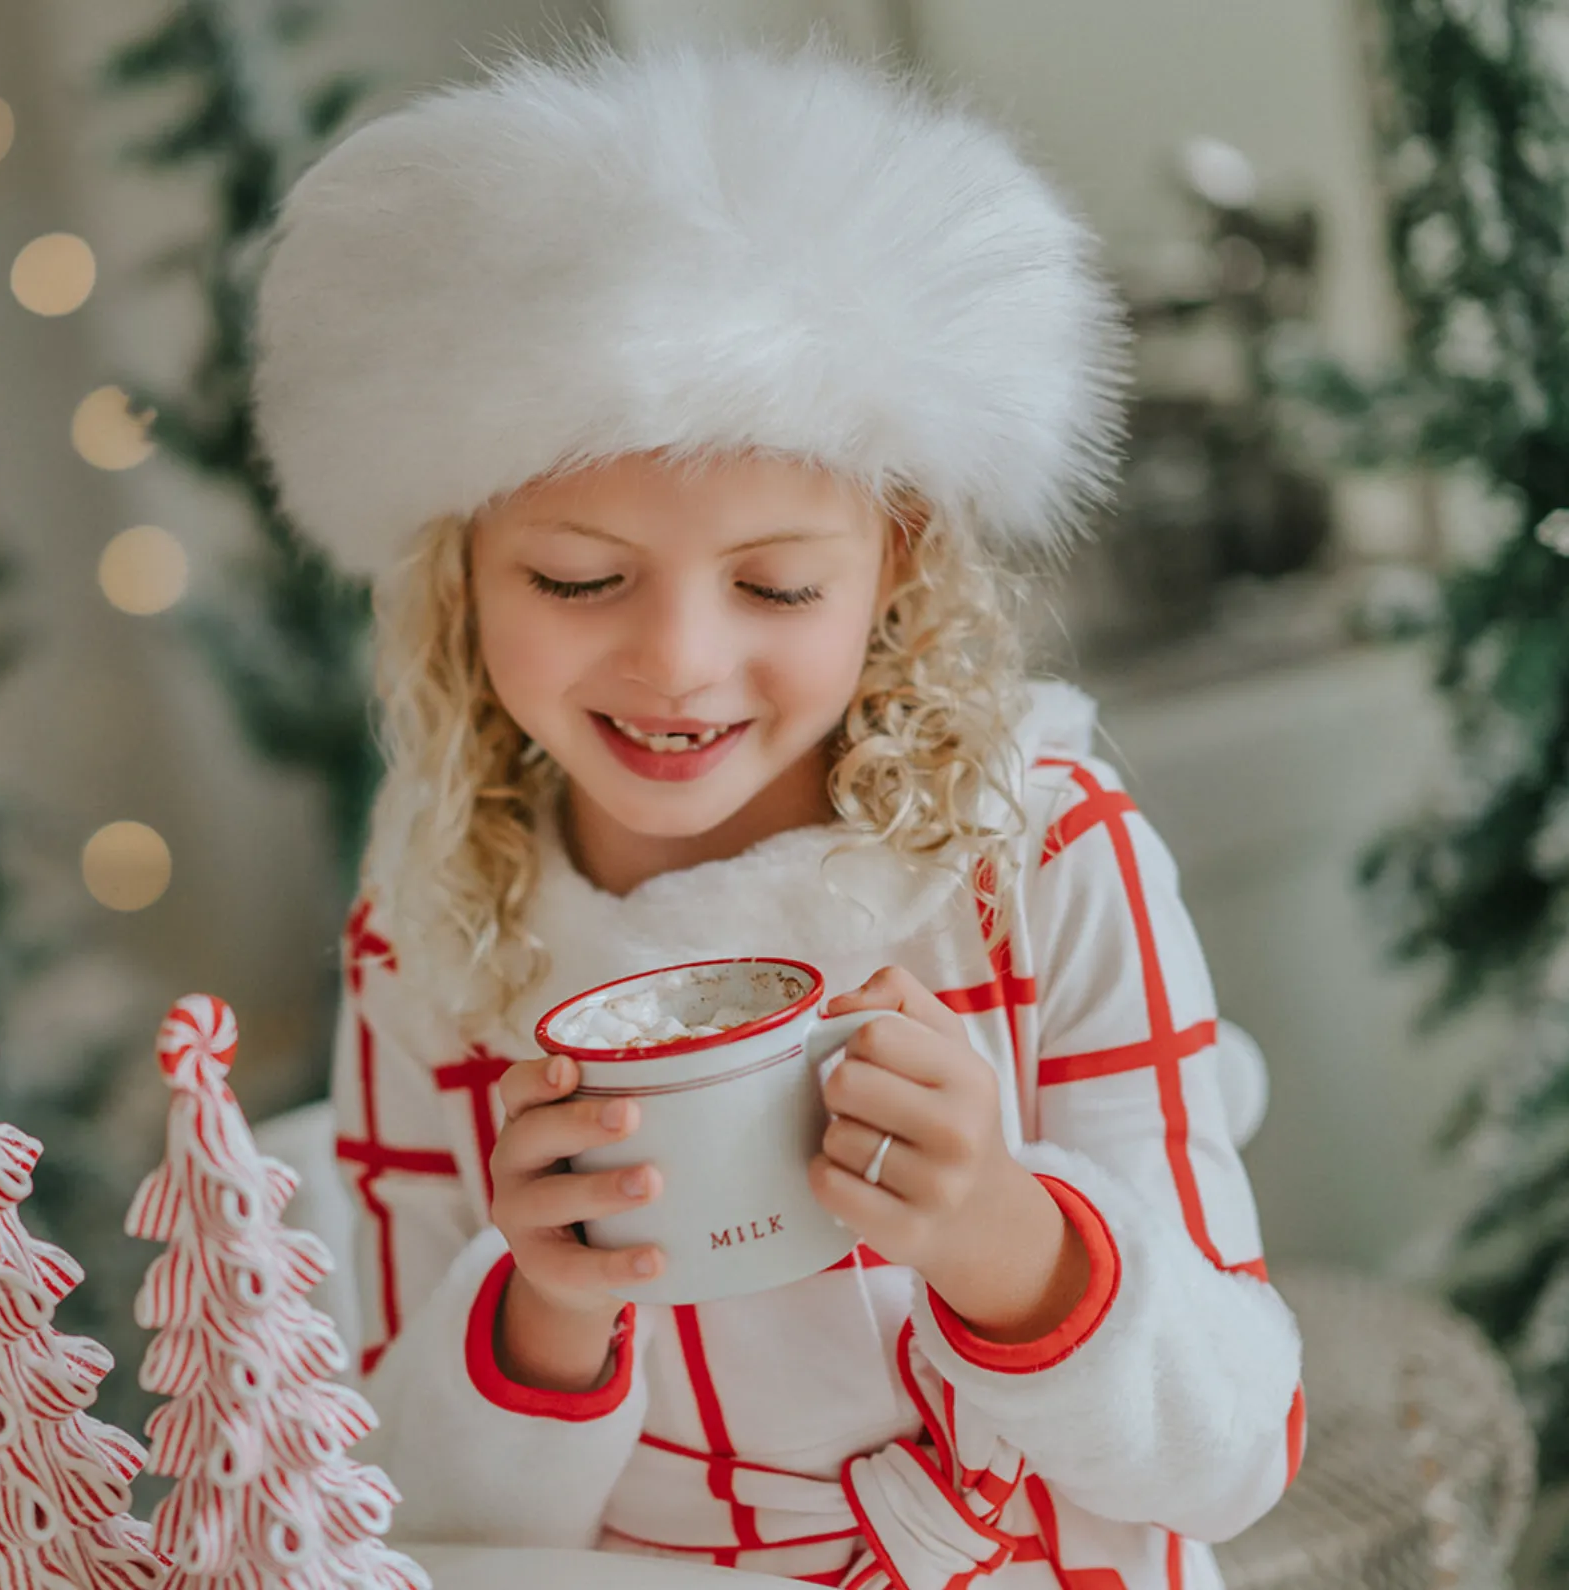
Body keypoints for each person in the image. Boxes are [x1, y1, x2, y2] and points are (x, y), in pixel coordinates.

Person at [249, 40, 1306, 1590]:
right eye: (578, 577)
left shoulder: (1040, 862)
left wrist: (1008, 1236)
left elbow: (1235, 1451)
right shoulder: (434, 929)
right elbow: (408, 1525)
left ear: (898, 570)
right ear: (457, 578)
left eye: (777, 583)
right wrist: (541, 1308)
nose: (677, 661)